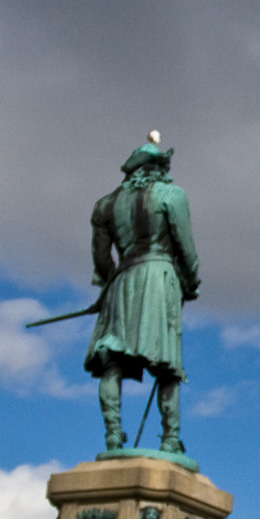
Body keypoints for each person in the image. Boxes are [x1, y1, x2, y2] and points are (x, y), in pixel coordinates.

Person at [86, 134, 200, 454]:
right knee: (167, 366)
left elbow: (100, 258)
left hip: (123, 280)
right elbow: (186, 247)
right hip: (159, 277)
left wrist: (113, 284)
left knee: (112, 363)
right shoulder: (172, 195)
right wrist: (190, 283)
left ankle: (112, 434)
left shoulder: (105, 205)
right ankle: (170, 438)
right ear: (157, 167)